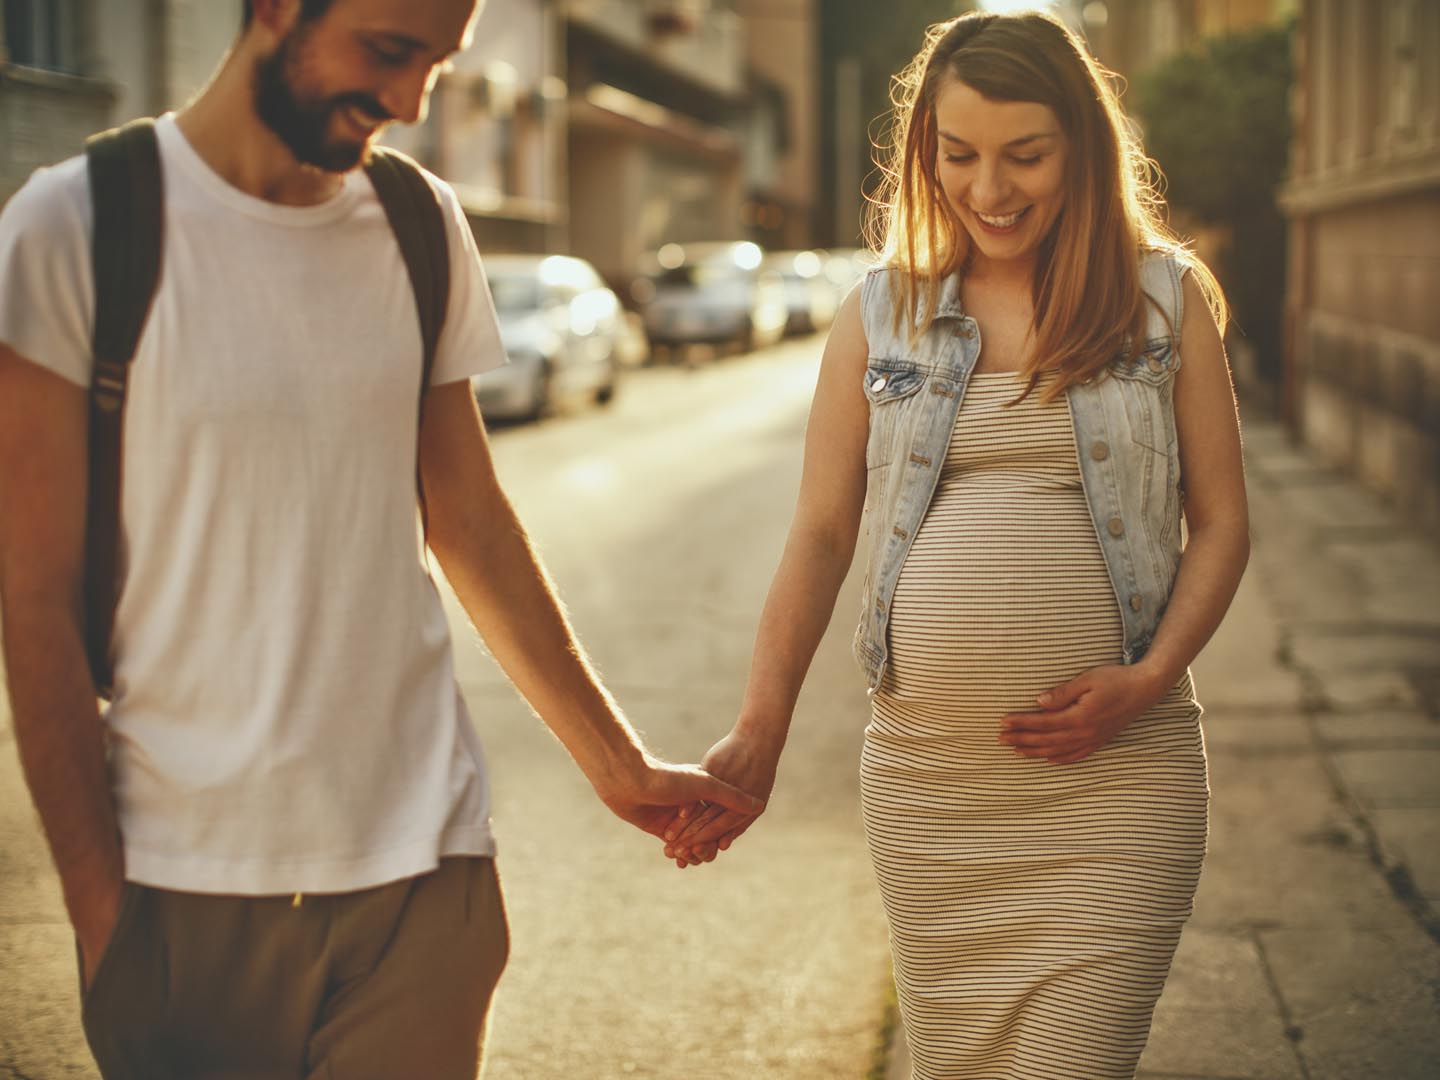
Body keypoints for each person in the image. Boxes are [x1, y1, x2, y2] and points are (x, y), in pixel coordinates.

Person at [0, 1, 762, 1076]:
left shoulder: (415, 221)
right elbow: (30, 596)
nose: (409, 103)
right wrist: (99, 910)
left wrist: (619, 765)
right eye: (389, 52)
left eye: (439, 67)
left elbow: (471, 522)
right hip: (183, 889)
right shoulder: (76, 227)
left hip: (422, 878)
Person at [663, 10, 1249, 1078]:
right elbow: (820, 532)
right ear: (925, 152)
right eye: (960, 155)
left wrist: (1153, 676)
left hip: (1118, 786)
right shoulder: (881, 314)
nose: (991, 189)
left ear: (1082, 142)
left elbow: (1221, 523)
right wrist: (759, 731)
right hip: (932, 797)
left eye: (1025, 154)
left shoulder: (1164, 300)